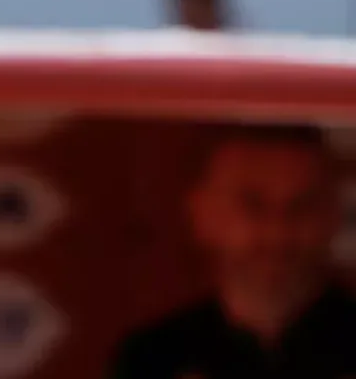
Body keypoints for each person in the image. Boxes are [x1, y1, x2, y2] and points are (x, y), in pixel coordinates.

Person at [109, 125, 356, 379]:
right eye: (253, 204)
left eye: (303, 205)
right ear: (201, 212)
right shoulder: (153, 358)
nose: (278, 230)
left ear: (334, 214)